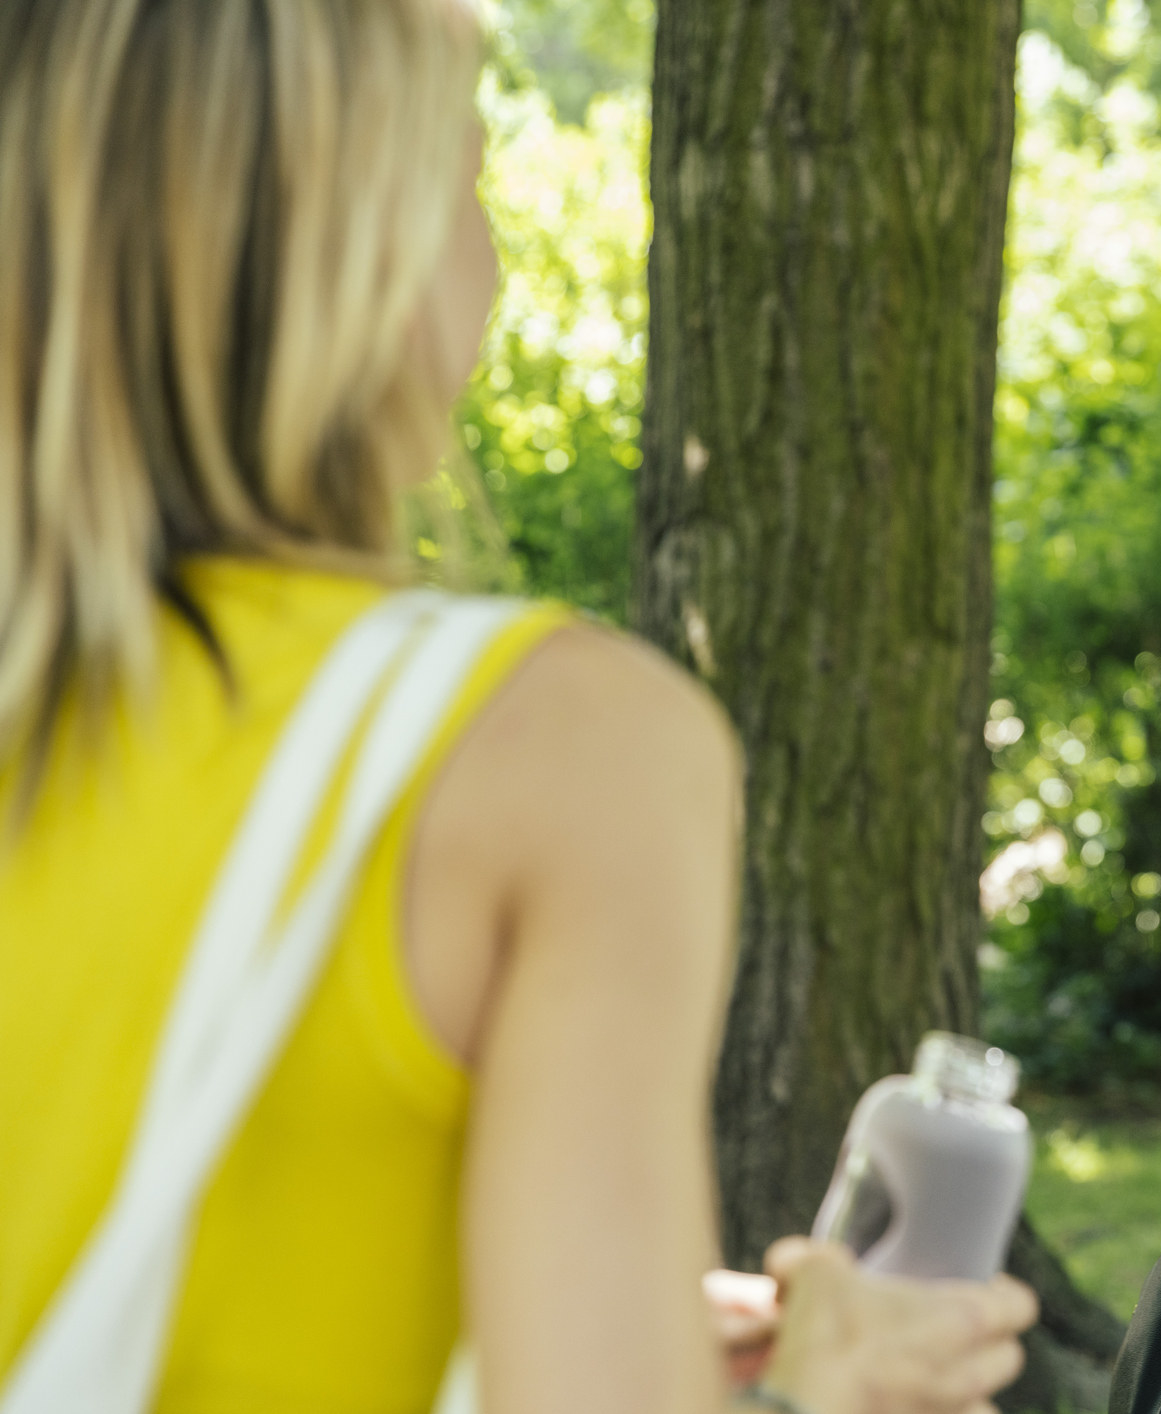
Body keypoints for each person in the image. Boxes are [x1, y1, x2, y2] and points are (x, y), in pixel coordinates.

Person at [0, 3, 1031, 1412]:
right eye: (467, 174)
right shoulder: (557, 747)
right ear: (365, 247)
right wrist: (820, 1383)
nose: (492, 258)